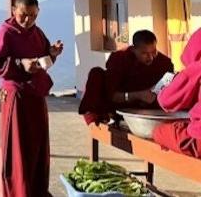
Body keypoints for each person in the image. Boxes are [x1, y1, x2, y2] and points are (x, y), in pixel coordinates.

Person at [0, 0, 64, 197]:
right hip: (17, 97)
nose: (28, 20)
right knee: (18, 148)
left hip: (36, 95)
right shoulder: (6, 33)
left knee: (38, 146)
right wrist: (20, 63)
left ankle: (37, 191)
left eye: (32, 15)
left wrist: (52, 54)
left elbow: (43, 60)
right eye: (23, 15)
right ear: (14, 11)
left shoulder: (37, 33)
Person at [78, 30, 173, 125]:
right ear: (133, 49)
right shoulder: (119, 59)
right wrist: (139, 95)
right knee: (96, 73)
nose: (150, 57)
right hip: (120, 105)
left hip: (150, 108)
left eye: (153, 52)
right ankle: (94, 119)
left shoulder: (164, 63)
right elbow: (111, 95)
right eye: (144, 53)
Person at [153, 28, 201, 157]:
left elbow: (166, 101)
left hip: (198, 142)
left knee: (159, 131)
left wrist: (171, 83)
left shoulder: (196, 68)